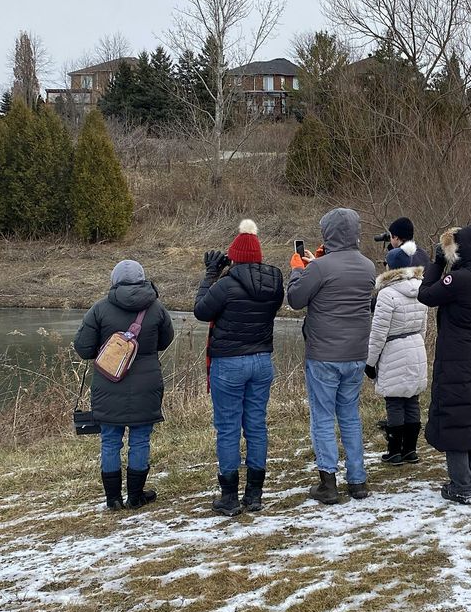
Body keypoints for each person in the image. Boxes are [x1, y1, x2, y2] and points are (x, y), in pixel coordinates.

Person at [193, 220, 285, 516]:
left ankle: (230, 498)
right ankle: (254, 495)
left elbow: (201, 310)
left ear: (234, 257)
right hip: (261, 361)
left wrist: (210, 273)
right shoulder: (275, 282)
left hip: (228, 363)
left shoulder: (226, 285)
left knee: (229, 428)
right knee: (256, 425)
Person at [287, 208, 377, 504]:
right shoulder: (368, 267)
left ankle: (328, 482)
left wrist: (298, 270)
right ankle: (358, 480)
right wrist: (317, 265)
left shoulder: (319, 268)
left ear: (328, 233)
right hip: (356, 354)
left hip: (324, 354)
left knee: (323, 417)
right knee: (350, 416)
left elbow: (296, 300)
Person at [74, 260, 175, 510]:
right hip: (148, 384)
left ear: (114, 281)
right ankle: (136, 496)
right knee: (140, 440)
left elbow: (83, 348)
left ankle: (113, 499)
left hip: (109, 383)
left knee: (110, 441)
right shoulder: (157, 308)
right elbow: (166, 340)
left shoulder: (99, 309)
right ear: (142, 280)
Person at [418, 225, 471, 504]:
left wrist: (438, 262)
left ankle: (461, 485)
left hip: (455, 354)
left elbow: (425, 295)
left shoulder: (460, 279)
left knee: (455, 416)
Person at [366, 247, 428, 465]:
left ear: (390, 267)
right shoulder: (421, 289)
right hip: (416, 346)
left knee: (394, 401)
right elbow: (423, 327)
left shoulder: (386, 294)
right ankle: (410, 450)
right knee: (412, 399)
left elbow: (378, 333)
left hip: (393, 348)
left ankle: (394, 452)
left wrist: (370, 362)